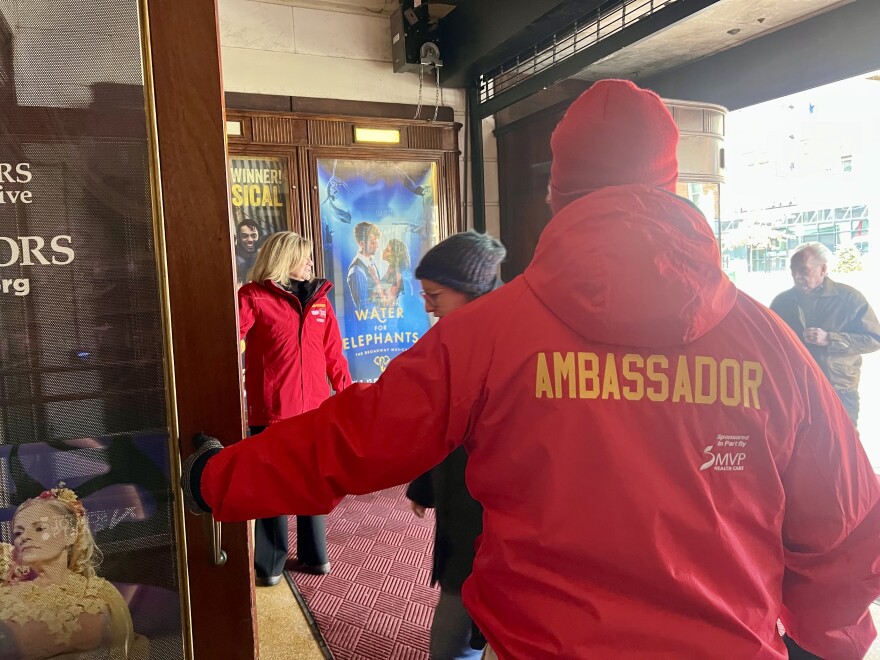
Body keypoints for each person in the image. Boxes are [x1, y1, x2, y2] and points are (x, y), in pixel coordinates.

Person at [183, 80, 880, 658]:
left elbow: (353, 438)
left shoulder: (490, 335)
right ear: (672, 187)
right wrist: (825, 638)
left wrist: (217, 478)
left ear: (558, 195)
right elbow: (848, 531)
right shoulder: (770, 347)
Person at [406, 231, 506, 660]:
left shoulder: (505, 341)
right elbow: (439, 425)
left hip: (491, 516)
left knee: (454, 639)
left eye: (435, 295)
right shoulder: (455, 338)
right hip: (461, 502)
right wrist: (425, 486)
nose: (427, 306)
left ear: (472, 291)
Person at [238, 231, 351, 585]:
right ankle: (270, 563)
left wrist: (346, 396)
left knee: (313, 484)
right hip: (270, 413)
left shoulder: (320, 303)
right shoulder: (253, 297)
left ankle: (315, 556)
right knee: (271, 489)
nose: (311, 264)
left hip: (314, 412)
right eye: (305, 257)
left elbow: (334, 355)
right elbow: (227, 340)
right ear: (286, 259)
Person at [0, 485, 143, 659]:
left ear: (71, 535)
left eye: (39, 528)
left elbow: (126, 650)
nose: (24, 537)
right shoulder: (6, 596)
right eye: (18, 532)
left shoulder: (99, 592)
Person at [770, 242, 880, 427]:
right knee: (801, 444)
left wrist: (830, 339)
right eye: (793, 271)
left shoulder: (849, 298)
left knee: (843, 443)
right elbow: (769, 343)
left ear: (823, 269)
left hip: (839, 387)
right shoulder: (782, 302)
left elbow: (874, 339)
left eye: (804, 270)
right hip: (796, 387)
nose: (797, 276)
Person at [347, 221, 383, 308]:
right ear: (362, 244)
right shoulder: (356, 271)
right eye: (372, 243)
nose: (376, 246)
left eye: (376, 242)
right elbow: (363, 308)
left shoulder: (371, 263)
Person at [234, 219, 261, 284]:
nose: (250, 240)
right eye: (245, 236)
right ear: (239, 239)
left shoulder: (263, 257)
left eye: (253, 236)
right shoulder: (234, 259)